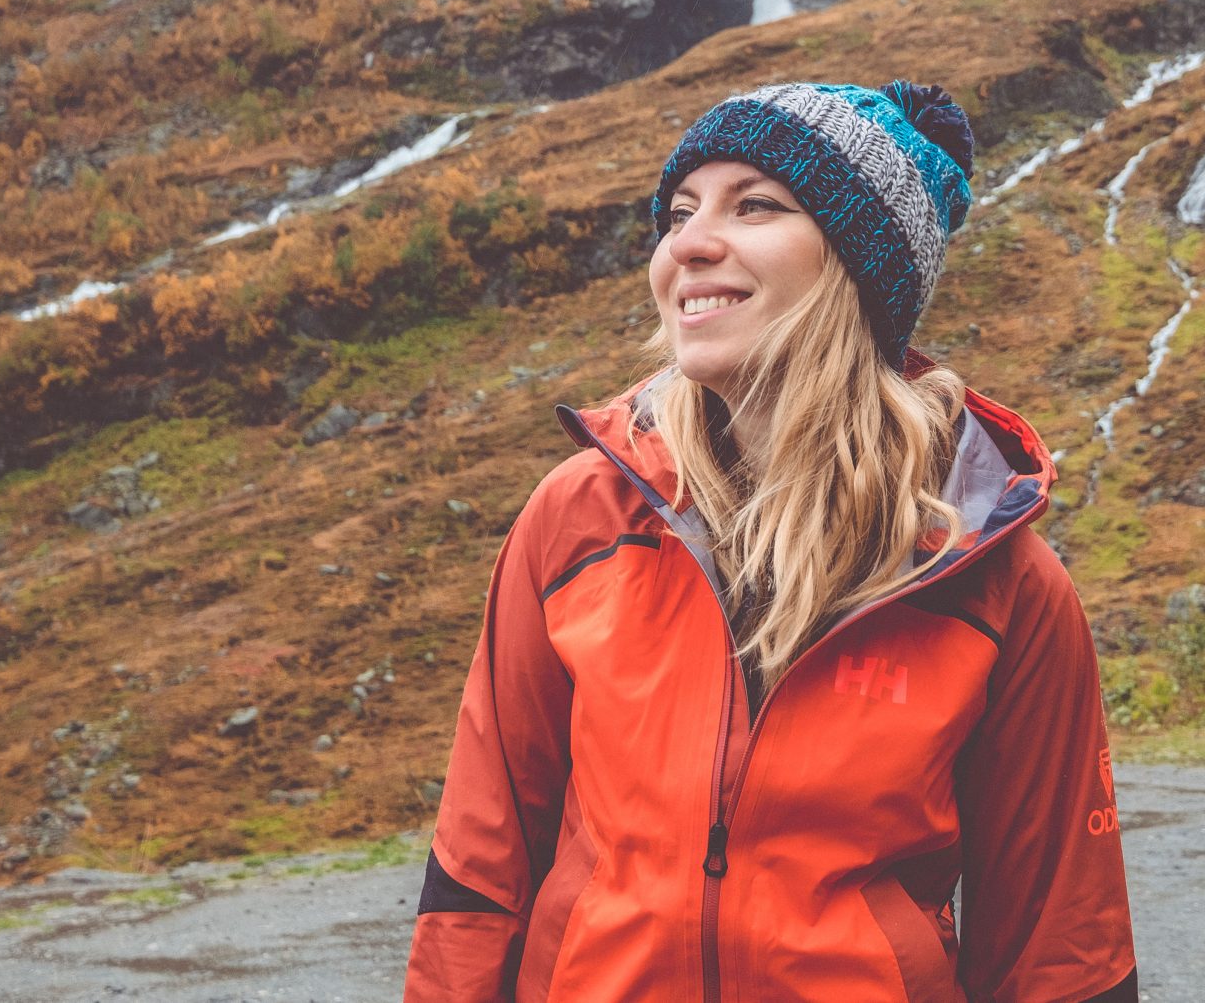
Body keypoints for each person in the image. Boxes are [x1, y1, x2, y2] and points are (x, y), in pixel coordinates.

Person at [402, 80, 1138, 1001]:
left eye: (756, 204)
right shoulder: (577, 520)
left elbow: (1061, 943)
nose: (690, 242)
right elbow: (481, 860)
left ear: (858, 269)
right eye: (679, 213)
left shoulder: (994, 577)